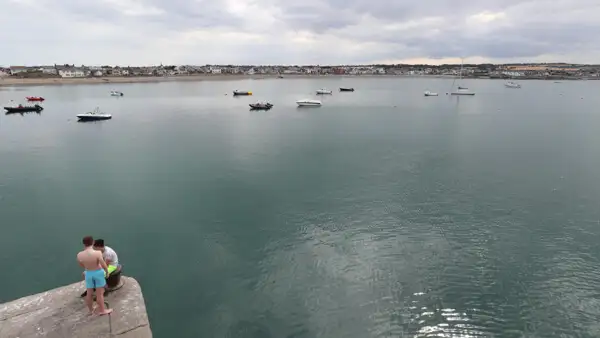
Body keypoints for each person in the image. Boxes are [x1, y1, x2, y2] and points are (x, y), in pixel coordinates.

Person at [77, 236, 113, 316]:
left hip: (88, 274)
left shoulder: (79, 255)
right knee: (99, 293)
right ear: (93, 242)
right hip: (98, 273)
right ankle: (102, 310)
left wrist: (88, 269)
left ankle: (90, 310)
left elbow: (81, 264)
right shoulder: (97, 253)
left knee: (89, 293)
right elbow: (103, 264)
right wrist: (107, 272)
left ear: (84, 244)